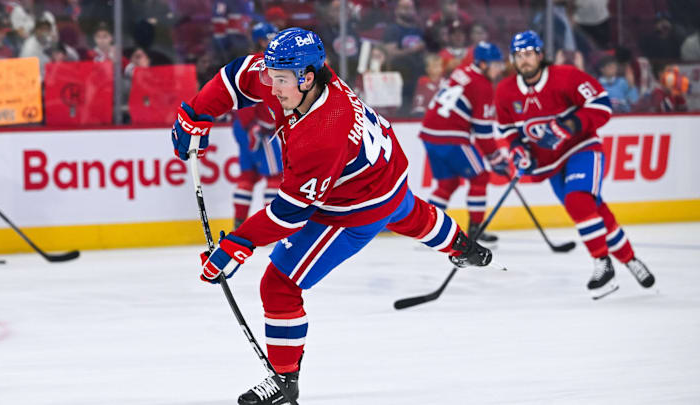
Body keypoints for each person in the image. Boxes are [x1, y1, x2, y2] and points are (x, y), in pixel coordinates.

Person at [170, 27, 492, 405]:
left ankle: (285, 380)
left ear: (307, 78)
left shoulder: (322, 133)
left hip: (355, 209)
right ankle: (462, 246)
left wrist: (237, 244)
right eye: (272, 77)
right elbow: (239, 76)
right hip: (387, 175)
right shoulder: (301, 78)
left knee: (278, 286)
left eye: (281, 81)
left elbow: (288, 215)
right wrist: (195, 113)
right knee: (411, 213)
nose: (272, 88)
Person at [495, 31, 656, 299]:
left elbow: (602, 105)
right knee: (596, 211)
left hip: (581, 148)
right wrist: (518, 150)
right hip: (550, 164)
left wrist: (568, 125)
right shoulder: (505, 91)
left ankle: (602, 264)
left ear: (540, 55)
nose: (524, 61)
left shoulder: (566, 77)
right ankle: (630, 260)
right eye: (519, 56)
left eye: (529, 54)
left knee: (578, 201)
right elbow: (509, 131)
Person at [419, 42, 507, 244]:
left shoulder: (463, 70)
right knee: (481, 177)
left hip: (429, 134)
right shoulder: (483, 86)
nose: (499, 69)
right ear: (483, 64)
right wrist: (496, 159)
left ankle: (426, 229)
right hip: (450, 137)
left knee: (447, 184)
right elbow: (483, 132)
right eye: (495, 64)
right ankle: (475, 231)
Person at [230, 22, 283, 229]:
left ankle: (239, 223)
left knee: (248, 176)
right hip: (258, 129)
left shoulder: (250, 62)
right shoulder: (262, 64)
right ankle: (271, 226)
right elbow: (246, 96)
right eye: (271, 38)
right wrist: (253, 127)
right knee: (275, 175)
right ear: (261, 41)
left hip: (244, 126)